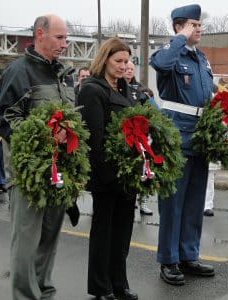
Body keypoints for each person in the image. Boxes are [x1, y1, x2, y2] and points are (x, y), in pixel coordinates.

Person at [0, 14, 75, 299]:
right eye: (60, 38)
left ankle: (44, 292)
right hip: (28, 174)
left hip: (59, 171)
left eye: (67, 38)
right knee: (27, 246)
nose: (65, 44)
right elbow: (5, 118)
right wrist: (43, 138)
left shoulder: (65, 74)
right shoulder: (19, 71)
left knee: (49, 242)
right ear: (40, 34)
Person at [150, 4, 215, 286]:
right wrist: (180, 39)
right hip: (176, 134)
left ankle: (188, 254)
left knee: (193, 201)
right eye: (193, 24)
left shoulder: (201, 59)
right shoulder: (170, 54)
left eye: (200, 25)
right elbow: (160, 65)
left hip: (200, 135)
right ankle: (169, 260)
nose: (199, 29)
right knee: (173, 202)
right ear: (179, 27)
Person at [78, 37, 138, 300]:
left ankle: (119, 284)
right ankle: (101, 288)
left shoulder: (126, 89)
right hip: (106, 173)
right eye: (119, 61)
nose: (124, 66)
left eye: (126, 61)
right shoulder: (92, 89)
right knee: (104, 232)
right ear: (105, 60)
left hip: (127, 172)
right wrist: (106, 174)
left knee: (123, 232)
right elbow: (94, 136)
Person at [123, 61, 154, 216]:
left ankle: (143, 202)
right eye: (126, 68)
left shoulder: (140, 89)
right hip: (126, 134)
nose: (129, 71)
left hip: (141, 135)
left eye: (131, 69)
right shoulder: (118, 87)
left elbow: (151, 109)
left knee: (145, 167)